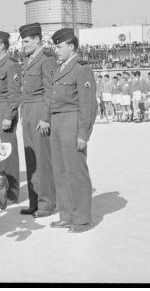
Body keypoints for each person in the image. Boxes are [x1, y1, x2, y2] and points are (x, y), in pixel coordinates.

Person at [48, 28, 98, 233]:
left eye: (59, 46)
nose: (56, 50)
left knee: (76, 171)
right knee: (60, 171)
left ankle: (82, 218)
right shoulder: (59, 68)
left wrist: (83, 133)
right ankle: (66, 214)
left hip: (72, 121)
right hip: (57, 122)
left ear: (71, 46)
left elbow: (88, 105)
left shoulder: (81, 68)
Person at [18, 22, 57, 218]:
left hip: (40, 110)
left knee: (43, 160)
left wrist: (45, 118)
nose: (23, 45)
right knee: (31, 158)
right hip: (27, 110)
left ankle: (47, 204)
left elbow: (50, 91)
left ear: (36, 39)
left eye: (26, 41)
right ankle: (34, 202)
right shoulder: (27, 59)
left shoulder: (47, 60)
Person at [0, 30, 22, 203]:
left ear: (2, 45)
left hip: (3, 112)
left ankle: (11, 193)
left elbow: (14, 94)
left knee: (6, 152)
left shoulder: (11, 64)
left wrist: (9, 116)